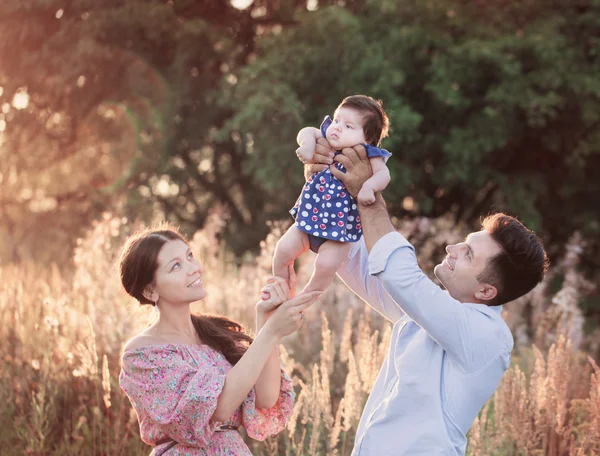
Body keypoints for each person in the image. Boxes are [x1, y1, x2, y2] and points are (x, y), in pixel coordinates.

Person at [304, 141, 549, 455]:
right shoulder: (428, 316)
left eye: (468, 254)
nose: (452, 249)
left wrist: (368, 194)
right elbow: (359, 262)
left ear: (486, 292)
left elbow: (399, 275)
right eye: (464, 242)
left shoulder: (488, 336)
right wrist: (325, 186)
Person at [118, 227, 320, 455]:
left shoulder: (214, 335)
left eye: (189, 256)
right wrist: (270, 333)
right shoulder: (143, 353)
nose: (193, 269)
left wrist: (266, 319)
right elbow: (219, 407)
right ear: (150, 291)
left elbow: (266, 397)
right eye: (176, 266)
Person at [274, 94, 392, 294]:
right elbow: (306, 131)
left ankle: (305, 298)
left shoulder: (369, 154)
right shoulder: (326, 139)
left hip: (340, 232)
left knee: (325, 266)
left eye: (348, 126)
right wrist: (307, 145)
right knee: (283, 250)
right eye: (337, 120)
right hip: (309, 219)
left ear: (368, 139)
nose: (337, 127)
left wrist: (368, 187)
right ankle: (280, 289)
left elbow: (383, 174)